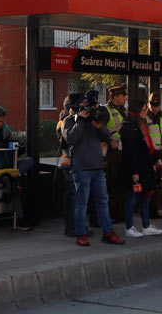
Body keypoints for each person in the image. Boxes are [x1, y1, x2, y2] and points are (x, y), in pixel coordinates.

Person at [64, 95, 125, 247]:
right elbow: (71, 139)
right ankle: (81, 234)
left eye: (87, 104)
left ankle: (108, 232)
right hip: (81, 167)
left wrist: (98, 124)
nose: (87, 107)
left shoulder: (92, 119)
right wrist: (81, 122)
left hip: (98, 166)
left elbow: (106, 136)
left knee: (103, 201)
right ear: (75, 106)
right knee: (81, 203)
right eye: (83, 104)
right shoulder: (69, 121)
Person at [119, 100, 162, 238]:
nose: (145, 112)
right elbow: (131, 151)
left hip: (144, 167)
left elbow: (147, 145)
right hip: (135, 169)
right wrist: (134, 171)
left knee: (145, 196)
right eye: (143, 110)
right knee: (131, 198)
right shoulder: (128, 127)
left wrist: (155, 159)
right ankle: (129, 227)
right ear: (137, 111)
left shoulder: (140, 125)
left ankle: (146, 225)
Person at [56, 93, 84, 237]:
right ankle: (71, 227)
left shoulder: (66, 119)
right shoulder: (66, 120)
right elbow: (69, 140)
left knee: (73, 196)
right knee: (73, 196)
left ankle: (73, 226)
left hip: (70, 162)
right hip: (70, 162)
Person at [100, 85, 129, 223]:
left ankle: (120, 212)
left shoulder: (123, 110)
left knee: (121, 184)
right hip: (112, 153)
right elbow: (100, 129)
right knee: (112, 184)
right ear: (115, 97)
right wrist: (110, 139)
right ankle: (111, 214)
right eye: (123, 95)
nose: (125, 98)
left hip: (123, 151)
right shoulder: (105, 110)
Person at [144, 93, 162, 220]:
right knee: (150, 181)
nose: (154, 108)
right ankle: (147, 210)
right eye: (152, 105)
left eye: (157, 105)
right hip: (149, 153)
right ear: (148, 104)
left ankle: (154, 210)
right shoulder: (145, 117)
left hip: (160, 152)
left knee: (158, 182)